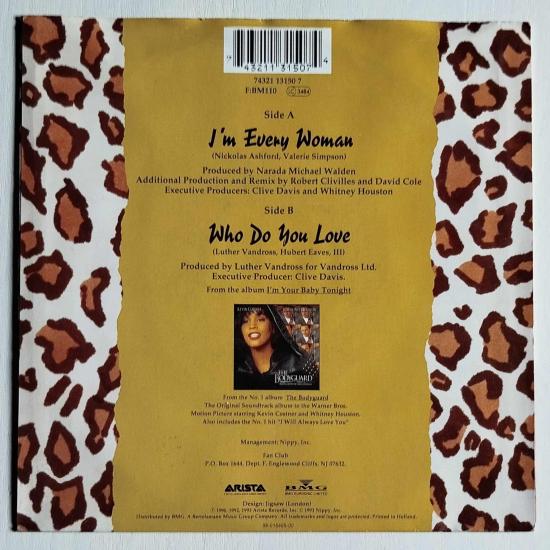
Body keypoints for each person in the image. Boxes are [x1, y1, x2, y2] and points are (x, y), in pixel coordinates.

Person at [234, 305, 319, 390]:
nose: (252, 326)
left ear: (274, 327)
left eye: (261, 319)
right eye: (245, 321)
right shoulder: (236, 370)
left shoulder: (299, 366)